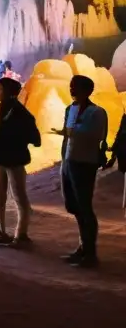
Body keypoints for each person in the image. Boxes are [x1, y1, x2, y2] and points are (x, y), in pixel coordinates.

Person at [54, 75, 109, 268]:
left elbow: (95, 135)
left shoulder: (97, 112)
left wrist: (71, 132)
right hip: (69, 161)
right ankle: (83, 246)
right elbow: (67, 135)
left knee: (84, 206)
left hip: (85, 162)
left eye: (74, 87)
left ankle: (90, 253)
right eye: (70, 86)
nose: (71, 90)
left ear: (87, 90)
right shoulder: (71, 109)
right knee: (73, 205)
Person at [0, 77, 40, 247]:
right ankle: (1, 231)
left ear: (7, 92)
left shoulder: (14, 109)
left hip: (14, 159)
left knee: (19, 198)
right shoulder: (8, 107)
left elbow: (33, 135)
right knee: (1, 195)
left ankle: (21, 235)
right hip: (6, 159)